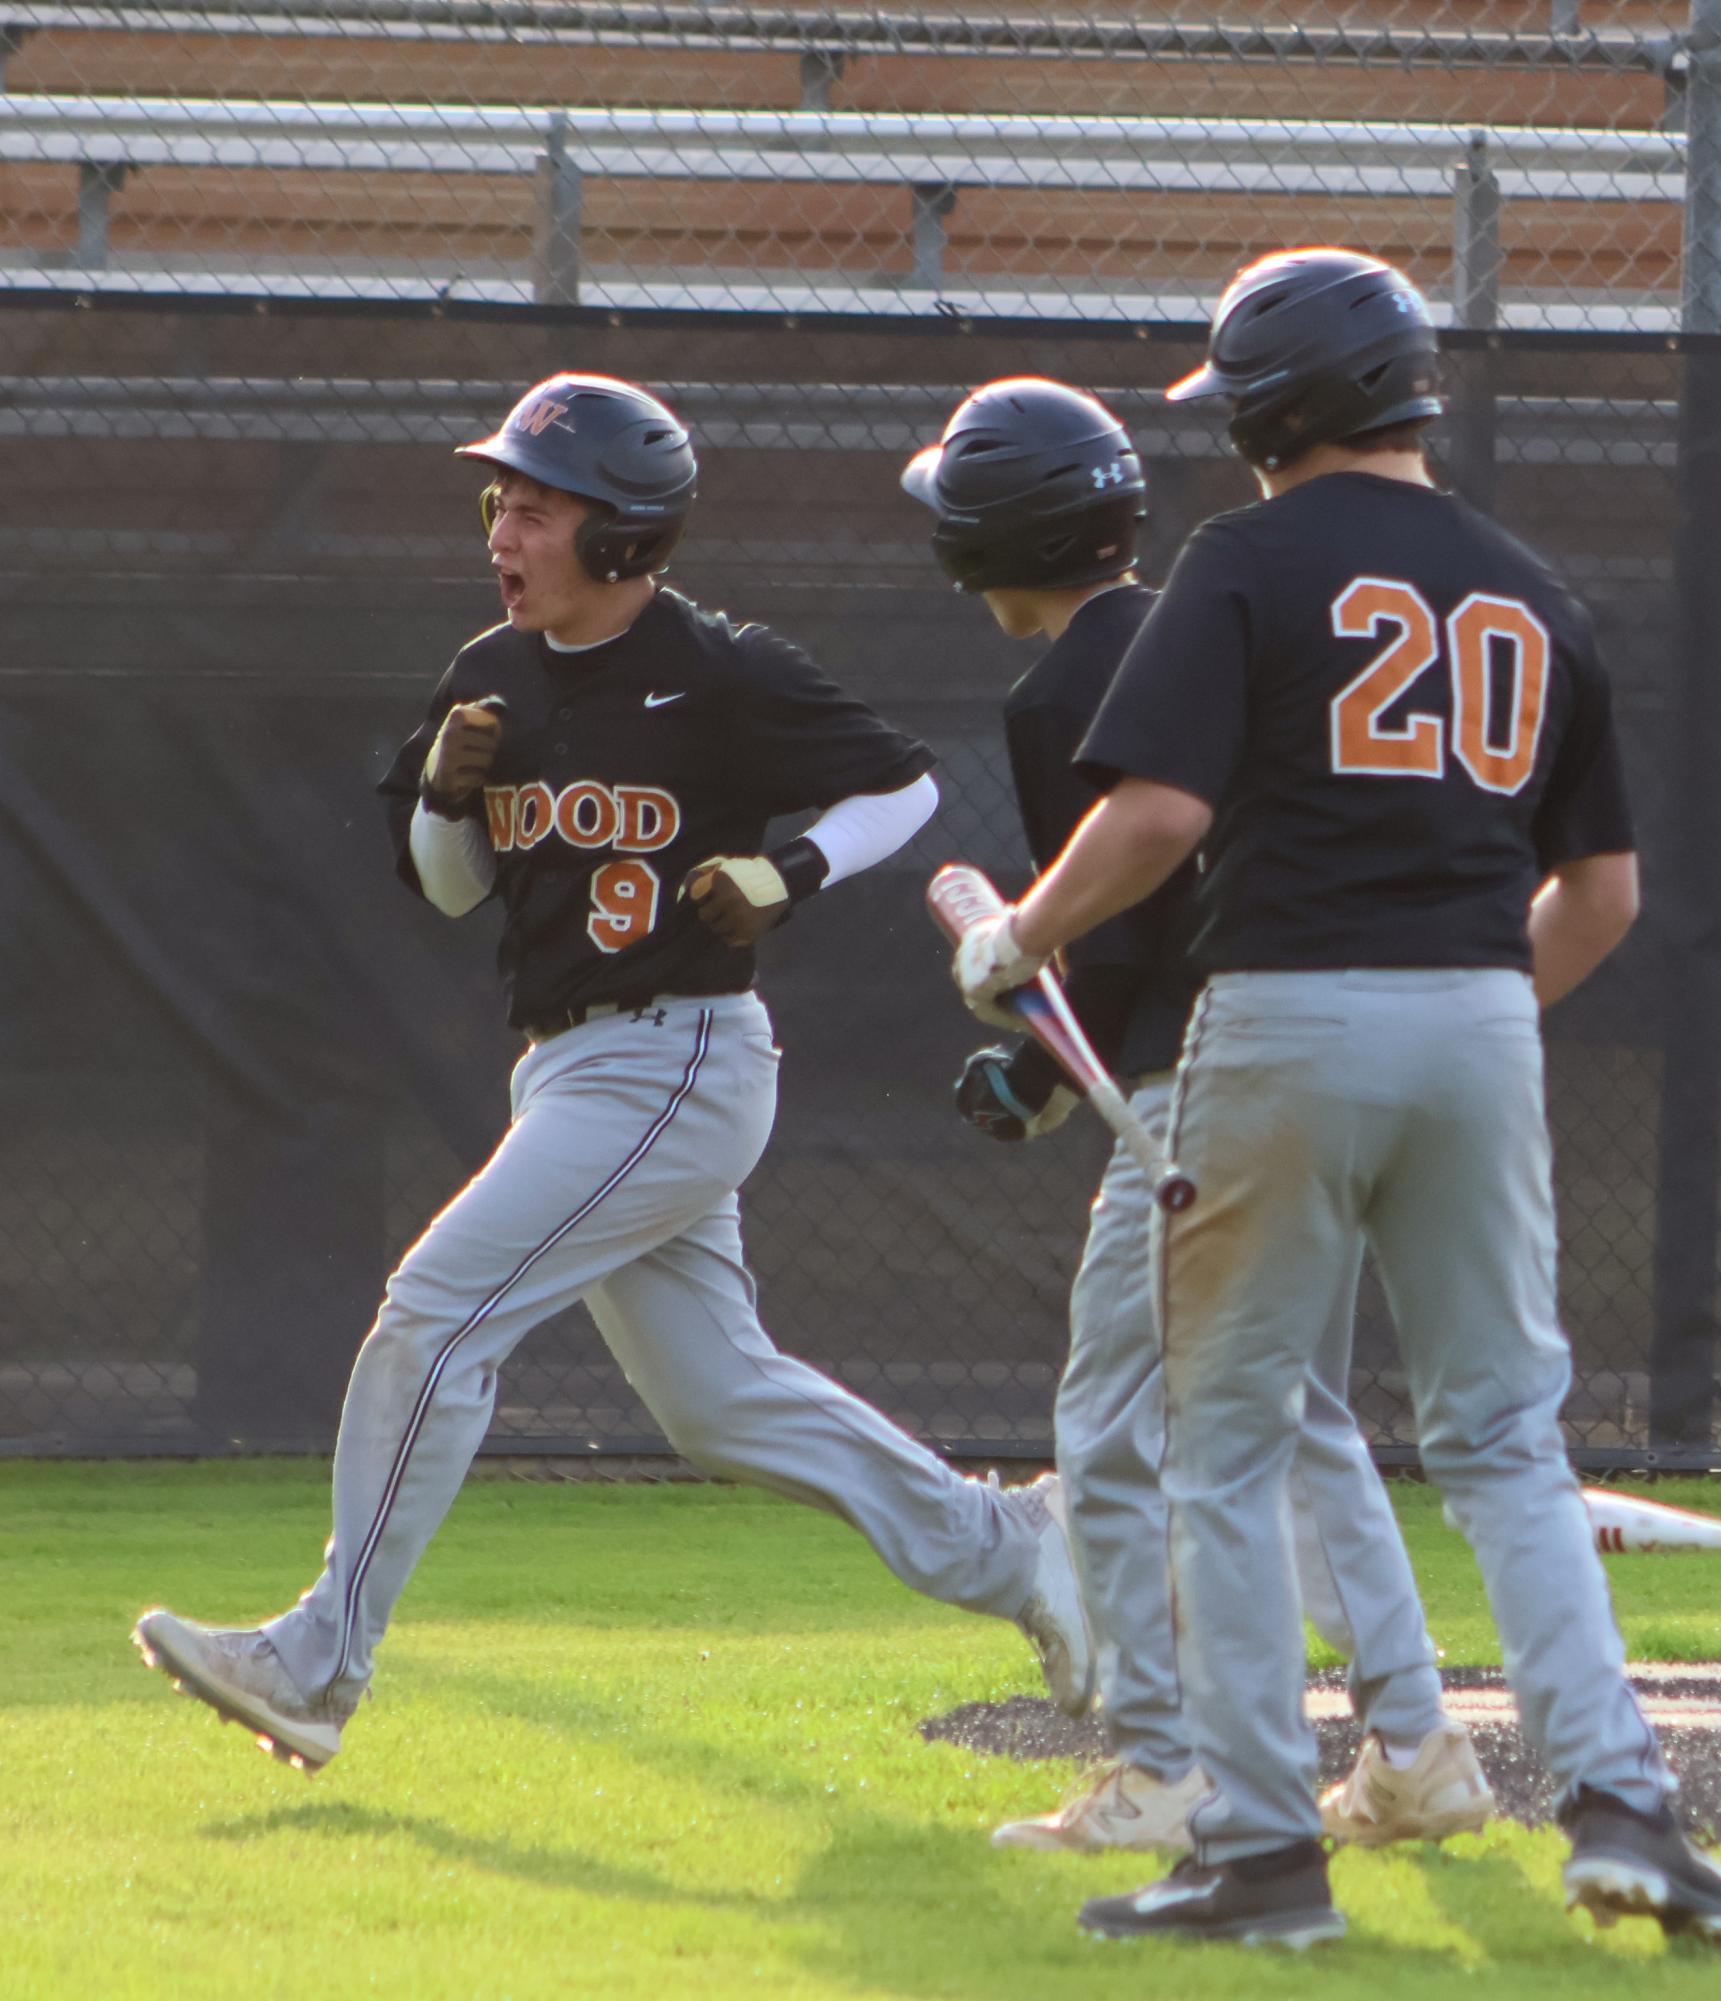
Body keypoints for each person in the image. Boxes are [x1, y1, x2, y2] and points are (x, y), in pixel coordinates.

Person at [950, 252, 1721, 1950]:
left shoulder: (1244, 557)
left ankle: (1261, 1849)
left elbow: (1164, 813)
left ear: (1274, 410)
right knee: (1503, 1442)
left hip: (1279, 1014)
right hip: (1484, 1014)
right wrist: (1460, 1005)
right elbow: (1605, 894)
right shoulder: (1532, 584)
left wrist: (1021, 936)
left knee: (1226, 1443)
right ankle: (1623, 1807)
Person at [133, 371, 1090, 1772]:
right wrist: (452, 801)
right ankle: (1013, 1549)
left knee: (436, 1313)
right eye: (498, 504)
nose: (502, 533)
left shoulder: (719, 667)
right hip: (574, 1068)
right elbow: (448, 889)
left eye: (535, 508)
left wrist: (794, 865)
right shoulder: (491, 672)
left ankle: (321, 1658)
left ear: (626, 539)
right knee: (719, 1398)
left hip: (678, 1057)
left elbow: (907, 787)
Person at [903, 376, 1490, 1856]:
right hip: (1319, 1055)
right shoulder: (1196, 619)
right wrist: (1050, 1062)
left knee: (1108, 1429)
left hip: (1200, 1088)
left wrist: (1034, 1047)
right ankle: (1414, 1741)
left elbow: (1126, 915)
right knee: (1298, 1414)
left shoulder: (1064, 684)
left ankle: (1167, 1766)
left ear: (983, 540)